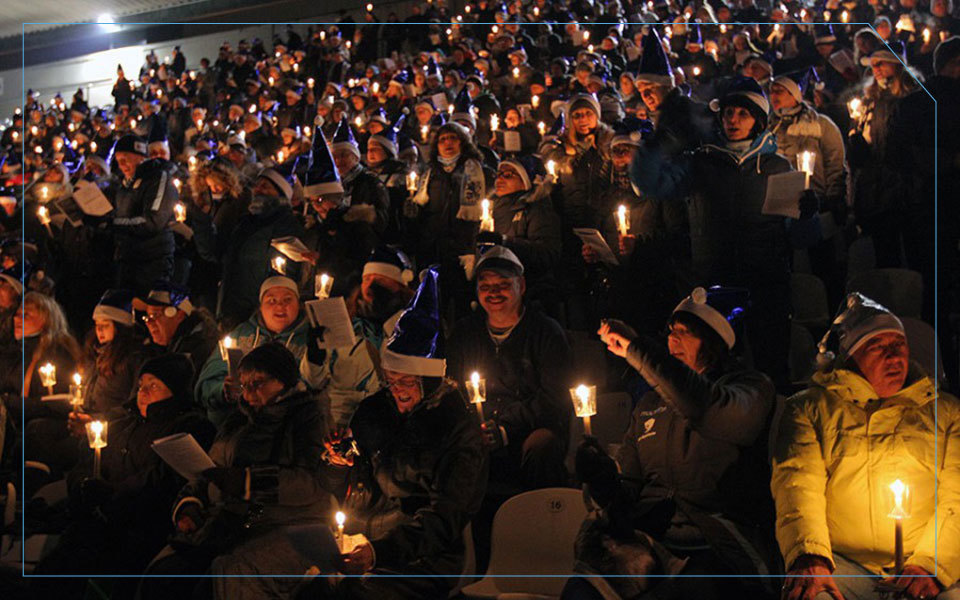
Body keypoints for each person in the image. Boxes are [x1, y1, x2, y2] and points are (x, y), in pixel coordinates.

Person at [568, 286, 779, 600]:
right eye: (671, 332)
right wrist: (600, 477)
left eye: (686, 333)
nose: (674, 340)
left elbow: (703, 408)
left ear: (715, 343)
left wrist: (638, 349)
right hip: (650, 540)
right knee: (581, 592)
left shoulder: (747, 390)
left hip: (714, 546)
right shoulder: (651, 403)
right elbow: (627, 488)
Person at [304, 267, 487, 600]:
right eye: (390, 380)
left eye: (407, 382)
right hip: (359, 542)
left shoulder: (457, 428)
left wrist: (379, 553)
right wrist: (336, 462)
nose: (397, 390)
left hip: (421, 557)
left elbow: (446, 516)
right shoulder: (375, 411)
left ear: (429, 381)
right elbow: (338, 486)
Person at [632, 75, 821, 386]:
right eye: (729, 112)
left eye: (743, 113)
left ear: (758, 120)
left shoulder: (777, 167)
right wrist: (662, 139)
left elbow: (802, 239)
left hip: (766, 287)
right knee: (716, 375)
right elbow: (647, 181)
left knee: (770, 370)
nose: (733, 119)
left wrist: (808, 215)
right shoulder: (701, 163)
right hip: (714, 287)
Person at [773, 293, 960, 600]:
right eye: (878, 347)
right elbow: (797, 487)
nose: (894, 357)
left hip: (923, 560)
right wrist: (811, 557)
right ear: (852, 356)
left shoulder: (946, 413)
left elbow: (957, 497)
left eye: (899, 346)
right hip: (843, 562)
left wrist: (931, 565)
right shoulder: (811, 409)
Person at [142, 343, 333, 600]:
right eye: (244, 385)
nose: (249, 393)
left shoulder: (309, 416)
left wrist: (247, 482)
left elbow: (311, 482)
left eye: (258, 383)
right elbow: (208, 468)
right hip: (229, 518)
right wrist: (190, 504)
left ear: (283, 381)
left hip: (283, 522)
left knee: (220, 580)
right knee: (165, 574)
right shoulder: (238, 419)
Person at [32, 354, 214, 590]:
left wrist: (112, 494)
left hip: (139, 528)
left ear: (175, 391)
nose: (143, 392)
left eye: (154, 386)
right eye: (141, 386)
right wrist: (82, 484)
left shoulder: (189, 427)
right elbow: (86, 461)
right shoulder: (122, 420)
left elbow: (161, 479)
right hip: (95, 520)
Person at [447, 245, 572, 491]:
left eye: (503, 284)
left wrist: (505, 428)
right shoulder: (465, 333)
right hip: (478, 427)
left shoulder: (546, 333)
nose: (493, 292)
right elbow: (451, 386)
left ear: (521, 286)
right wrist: (473, 426)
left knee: (542, 445)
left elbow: (554, 397)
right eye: (485, 286)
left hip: (529, 428)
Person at [300, 246, 415, 431]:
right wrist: (315, 357)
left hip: (387, 423)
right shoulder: (343, 323)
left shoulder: (414, 324)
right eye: (367, 279)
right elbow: (314, 382)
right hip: (336, 422)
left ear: (398, 285)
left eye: (379, 280)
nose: (370, 286)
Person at [769, 69, 848, 307]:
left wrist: (834, 199)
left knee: (822, 266)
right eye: (772, 90)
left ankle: (830, 312)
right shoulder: (768, 128)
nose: (774, 95)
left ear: (795, 95)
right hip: (780, 208)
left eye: (780, 91)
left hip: (817, 205)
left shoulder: (821, 126)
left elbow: (836, 164)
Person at [196, 276, 309, 427]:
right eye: (271, 300)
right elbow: (207, 383)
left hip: (285, 422)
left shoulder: (311, 337)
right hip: (234, 423)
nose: (280, 306)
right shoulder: (240, 334)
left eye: (287, 300)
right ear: (261, 306)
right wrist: (223, 391)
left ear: (299, 305)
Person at [217, 166, 305, 330]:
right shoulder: (245, 222)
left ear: (280, 192)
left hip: (257, 315)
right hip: (231, 310)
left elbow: (286, 273)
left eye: (265, 186)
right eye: (257, 185)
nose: (257, 190)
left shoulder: (286, 224)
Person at [110, 134, 180, 295]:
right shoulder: (123, 185)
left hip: (152, 260)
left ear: (141, 157)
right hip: (127, 259)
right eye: (118, 159)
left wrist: (113, 223)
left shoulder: (159, 177)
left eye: (126, 158)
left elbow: (153, 222)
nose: (122, 165)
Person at [133, 282, 219, 382]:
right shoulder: (169, 346)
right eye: (147, 317)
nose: (149, 323)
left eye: (155, 315)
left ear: (179, 315)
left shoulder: (195, 349)